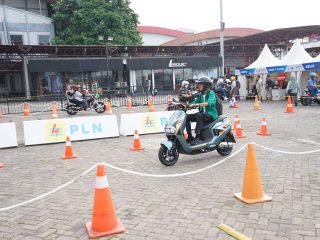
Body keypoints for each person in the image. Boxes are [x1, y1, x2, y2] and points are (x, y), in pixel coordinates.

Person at [185, 76, 218, 145]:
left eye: (200, 84)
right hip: (203, 114)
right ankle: (190, 136)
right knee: (187, 116)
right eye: (198, 84)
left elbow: (208, 103)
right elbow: (193, 103)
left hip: (211, 114)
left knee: (199, 115)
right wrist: (186, 105)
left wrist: (197, 105)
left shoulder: (211, 93)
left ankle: (198, 137)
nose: (198, 86)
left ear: (205, 85)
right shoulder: (201, 95)